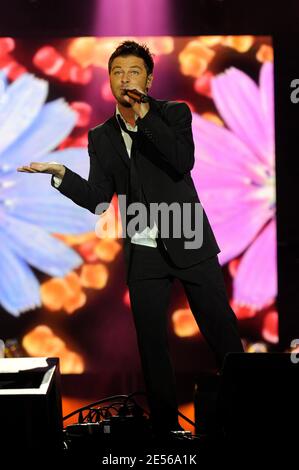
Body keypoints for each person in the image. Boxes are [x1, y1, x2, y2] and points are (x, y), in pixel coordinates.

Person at [17, 40, 244, 438]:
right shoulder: (101, 137)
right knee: (152, 345)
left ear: (149, 78)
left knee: (222, 333)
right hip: (142, 243)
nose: (125, 79)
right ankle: (165, 429)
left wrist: (144, 115)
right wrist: (61, 175)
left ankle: (251, 412)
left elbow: (181, 161)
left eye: (134, 72)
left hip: (186, 232)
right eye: (118, 72)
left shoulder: (174, 114)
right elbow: (98, 200)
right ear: (108, 80)